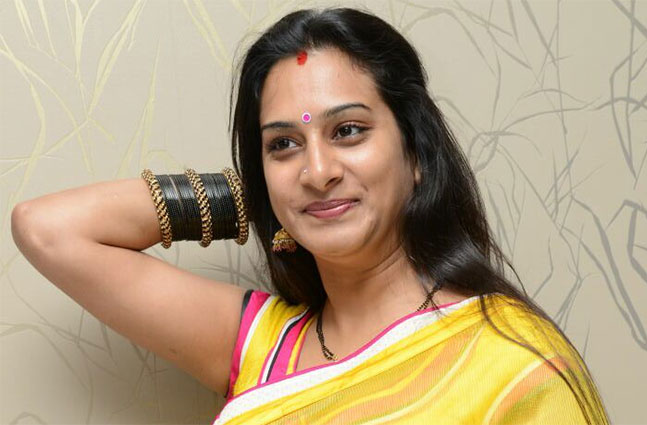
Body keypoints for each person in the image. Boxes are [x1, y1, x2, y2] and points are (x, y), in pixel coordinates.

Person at [11, 7, 609, 425]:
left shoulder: (512, 360)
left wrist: (294, 188)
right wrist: (266, 197)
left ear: (417, 154)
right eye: (283, 144)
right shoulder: (264, 345)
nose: (317, 170)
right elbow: (48, 229)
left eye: (347, 131)